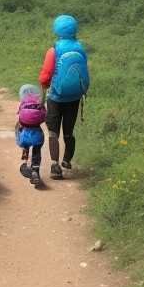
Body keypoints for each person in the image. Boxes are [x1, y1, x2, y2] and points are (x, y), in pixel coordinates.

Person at [39, 14, 89, 180]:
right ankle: (67, 161)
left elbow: (45, 75)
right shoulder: (80, 48)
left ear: (56, 30)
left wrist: (45, 86)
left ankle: (55, 166)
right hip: (74, 96)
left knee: (53, 132)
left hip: (56, 96)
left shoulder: (54, 49)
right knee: (69, 131)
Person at [15, 83, 46, 187]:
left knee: (24, 139)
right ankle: (35, 172)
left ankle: (25, 154)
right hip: (37, 132)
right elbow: (43, 117)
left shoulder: (22, 105)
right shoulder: (39, 105)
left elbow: (20, 118)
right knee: (37, 151)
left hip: (25, 133)